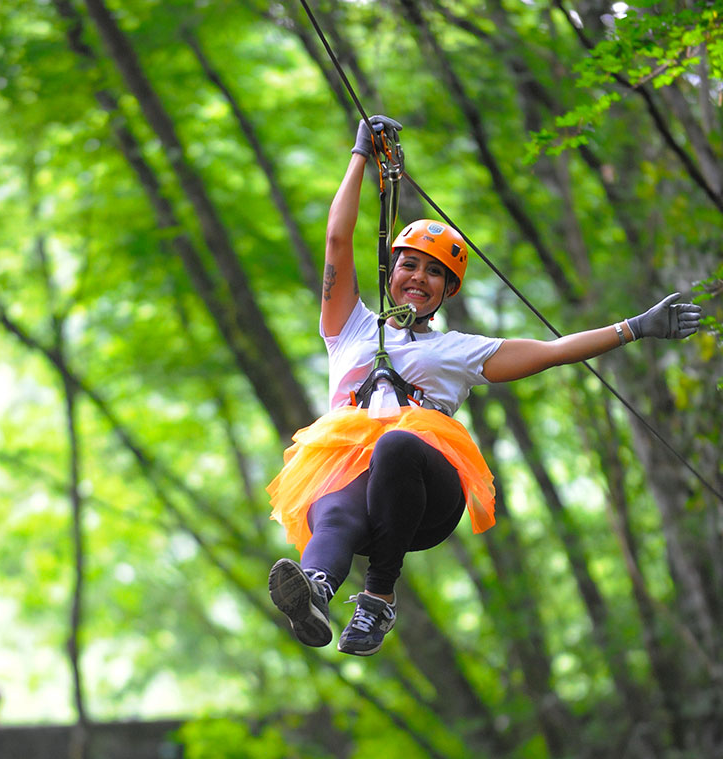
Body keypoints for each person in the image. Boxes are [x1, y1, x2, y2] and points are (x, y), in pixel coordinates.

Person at [267, 115, 702, 657]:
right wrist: (360, 155)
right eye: (408, 265)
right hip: (347, 474)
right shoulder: (349, 327)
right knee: (331, 509)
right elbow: (336, 238)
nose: (417, 278)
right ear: (390, 272)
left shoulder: (457, 350)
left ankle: (378, 597)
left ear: (447, 290)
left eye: (433, 273)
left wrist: (636, 327)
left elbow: (551, 351)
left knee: (399, 443)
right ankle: (316, 590)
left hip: (425, 494)